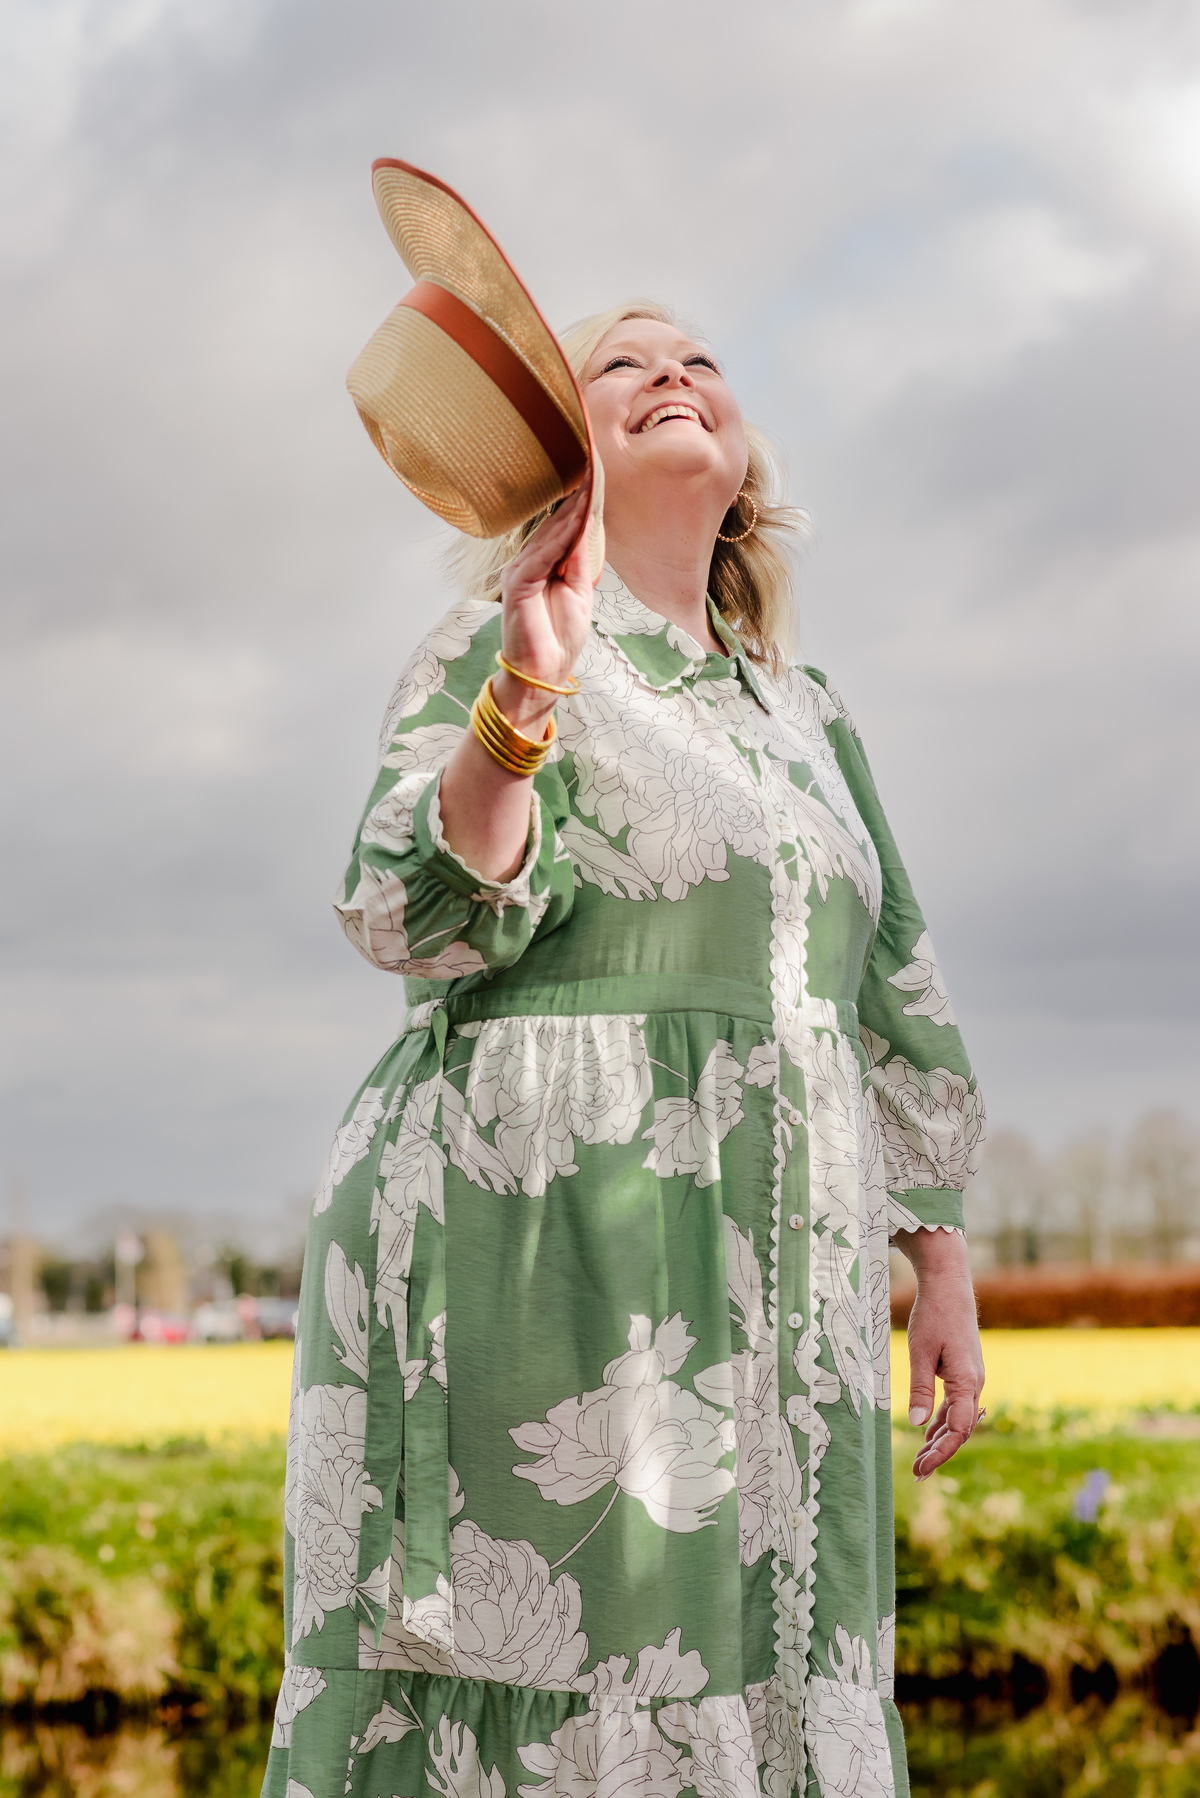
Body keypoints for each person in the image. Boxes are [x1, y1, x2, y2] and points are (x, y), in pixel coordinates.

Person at [264, 303, 986, 1798]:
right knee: (559, 1660)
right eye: (624, 361)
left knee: (776, 1661)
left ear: (743, 460)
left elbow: (893, 977)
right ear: (560, 450)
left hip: (780, 1272)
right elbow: (410, 902)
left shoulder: (809, 710)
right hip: (547, 1239)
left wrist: (943, 1261)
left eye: (701, 358)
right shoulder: (501, 643)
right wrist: (526, 690)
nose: (674, 370)